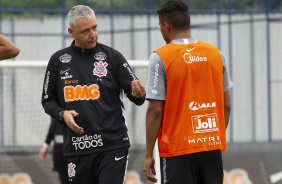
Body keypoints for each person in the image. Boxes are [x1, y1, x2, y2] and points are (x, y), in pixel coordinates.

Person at [41, 5, 146, 184]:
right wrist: (62, 114)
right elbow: (47, 99)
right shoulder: (58, 61)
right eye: (85, 31)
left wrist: (139, 94)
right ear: (71, 32)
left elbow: (137, 98)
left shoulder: (113, 57)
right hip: (77, 148)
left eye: (95, 27)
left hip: (112, 146)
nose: (93, 34)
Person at [143, 0, 233, 183]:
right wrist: (213, 136)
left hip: (178, 149)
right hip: (211, 148)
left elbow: (155, 110)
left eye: (160, 26)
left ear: (166, 26)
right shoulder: (216, 54)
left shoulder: (161, 57)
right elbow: (227, 105)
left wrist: (147, 154)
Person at [39, 118, 68, 184]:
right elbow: (52, 128)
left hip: (72, 150)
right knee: (63, 176)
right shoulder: (56, 111)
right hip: (59, 150)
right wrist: (46, 145)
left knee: (74, 175)